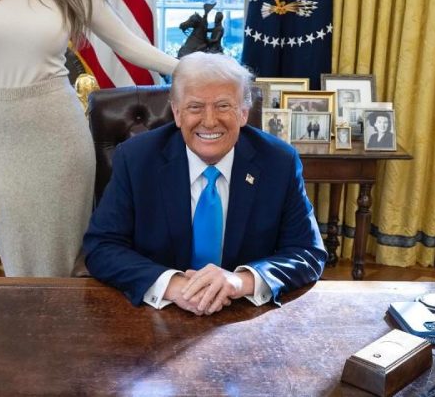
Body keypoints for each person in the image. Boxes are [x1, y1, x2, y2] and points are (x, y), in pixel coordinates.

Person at [0, 0, 178, 277]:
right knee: (18, 256)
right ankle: (30, 310)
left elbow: (128, 44)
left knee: (66, 260)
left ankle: (66, 310)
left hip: (59, 133)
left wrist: (191, 67)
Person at [84, 52, 326, 315]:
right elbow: (101, 247)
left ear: (243, 113)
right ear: (177, 113)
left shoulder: (279, 162)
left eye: (223, 106)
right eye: (195, 107)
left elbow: (307, 252)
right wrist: (172, 285)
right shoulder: (136, 159)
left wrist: (241, 281)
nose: (209, 121)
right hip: (158, 312)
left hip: (243, 312)